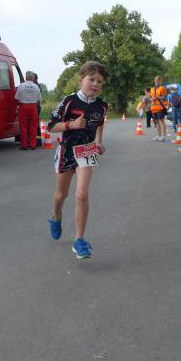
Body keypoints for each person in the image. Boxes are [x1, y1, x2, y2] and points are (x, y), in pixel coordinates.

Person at [47, 61, 109, 259]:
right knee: (61, 194)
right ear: (81, 80)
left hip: (86, 151)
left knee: (82, 195)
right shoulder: (69, 101)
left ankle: (79, 240)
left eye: (100, 81)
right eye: (92, 79)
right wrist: (70, 125)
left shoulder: (102, 106)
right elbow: (51, 126)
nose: (95, 84)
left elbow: (100, 123)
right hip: (66, 152)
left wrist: (99, 142)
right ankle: (56, 215)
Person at [15, 71, 42, 150]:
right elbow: (39, 100)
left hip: (23, 106)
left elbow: (16, 98)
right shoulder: (36, 86)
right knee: (33, 126)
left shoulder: (21, 86)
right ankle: (33, 145)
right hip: (33, 107)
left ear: (26, 77)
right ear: (33, 78)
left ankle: (24, 145)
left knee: (23, 126)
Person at [150, 76, 168, 141]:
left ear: (160, 81)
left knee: (162, 122)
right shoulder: (152, 89)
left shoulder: (162, 88)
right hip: (153, 108)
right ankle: (158, 135)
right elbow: (150, 97)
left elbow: (164, 97)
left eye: (158, 80)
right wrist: (151, 99)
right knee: (156, 122)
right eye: (155, 80)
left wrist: (157, 97)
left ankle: (163, 136)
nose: (156, 82)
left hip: (160, 108)